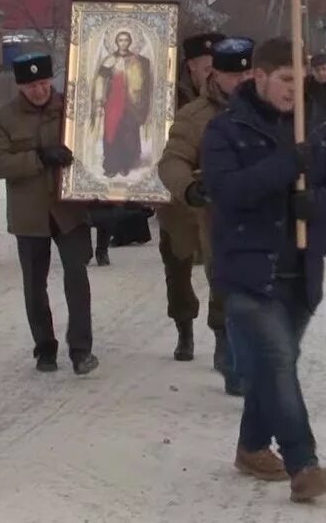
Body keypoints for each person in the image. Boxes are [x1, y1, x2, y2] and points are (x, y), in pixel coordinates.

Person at [202, 36, 326, 502]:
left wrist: (319, 203)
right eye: (287, 78)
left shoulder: (315, 125)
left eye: (302, 78)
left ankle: (251, 447)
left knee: (275, 368)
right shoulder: (225, 130)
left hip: (302, 271)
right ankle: (303, 464)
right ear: (259, 76)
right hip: (249, 273)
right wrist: (285, 164)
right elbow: (227, 193)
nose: (296, 87)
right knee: (276, 363)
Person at [0, 53, 98, 376]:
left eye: (43, 83)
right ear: (21, 86)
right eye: (31, 85)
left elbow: (96, 145)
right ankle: (44, 347)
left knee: (77, 279)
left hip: (69, 210)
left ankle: (81, 349)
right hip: (30, 214)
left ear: (52, 80)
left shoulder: (73, 109)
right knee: (35, 284)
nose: (38, 90)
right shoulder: (4, 117)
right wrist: (38, 157)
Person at [158, 37, 256, 395]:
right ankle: (229, 351)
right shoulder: (194, 117)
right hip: (219, 217)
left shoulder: (276, 108)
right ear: (216, 74)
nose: (242, 83)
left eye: (248, 75)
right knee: (227, 286)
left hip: (266, 215)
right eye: (234, 76)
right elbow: (172, 161)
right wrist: (189, 188)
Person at [155, 32, 223, 364]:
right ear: (191, 66)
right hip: (176, 198)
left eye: (217, 66)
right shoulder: (165, 97)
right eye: (207, 65)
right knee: (177, 266)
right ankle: (184, 327)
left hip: (217, 201)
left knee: (220, 268)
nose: (212, 72)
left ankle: (222, 336)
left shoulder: (231, 96)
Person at [93, 30, 153, 176]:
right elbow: (100, 80)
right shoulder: (109, 60)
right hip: (113, 102)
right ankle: (111, 166)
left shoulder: (138, 60)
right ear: (116, 42)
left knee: (128, 132)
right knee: (112, 132)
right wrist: (100, 101)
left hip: (131, 103)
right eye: (120, 40)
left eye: (126, 40)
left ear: (130, 42)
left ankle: (126, 164)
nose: (123, 43)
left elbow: (144, 85)